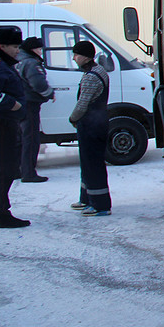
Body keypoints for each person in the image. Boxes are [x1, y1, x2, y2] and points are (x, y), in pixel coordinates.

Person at [0, 28, 31, 228]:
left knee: (4, 170)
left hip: (5, 124)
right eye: (15, 46)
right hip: (1, 125)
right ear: (2, 46)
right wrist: (13, 104)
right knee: (3, 170)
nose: (18, 51)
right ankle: (0, 215)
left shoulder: (3, 64)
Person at [69, 40, 111, 217]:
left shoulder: (91, 76)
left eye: (76, 54)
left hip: (92, 126)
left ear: (85, 56)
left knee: (92, 164)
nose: (74, 58)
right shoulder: (98, 70)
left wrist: (73, 118)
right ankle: (86, 198)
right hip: (97, 123)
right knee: (87, 163)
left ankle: (100, 205)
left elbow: (82, 104)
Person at [17, 37, 54, 183]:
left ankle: (18, 170)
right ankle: (28, 173)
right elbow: (38, 84)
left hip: (20, 104)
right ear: (33, 49)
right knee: (31, 139)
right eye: (39, 49)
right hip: (30, 104)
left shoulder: (18, 60)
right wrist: (50, 93)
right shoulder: (31, 63)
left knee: (20, 139)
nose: (41, 52)